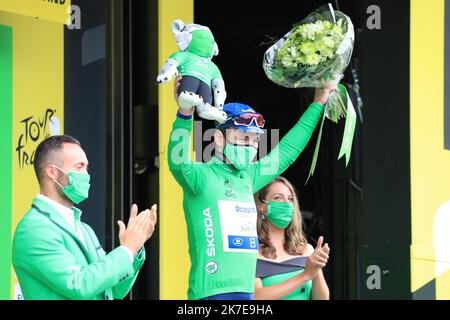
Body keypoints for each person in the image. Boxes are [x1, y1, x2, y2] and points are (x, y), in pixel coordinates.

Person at [168, 76, 335, 300]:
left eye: (255, 140)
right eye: (243, 138)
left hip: (247, 293)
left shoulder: (249, 177)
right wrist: (185, 113)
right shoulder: (201, 176)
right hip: (210, 293)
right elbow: (176, 160)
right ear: (219, 139)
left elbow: (288, 151)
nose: (250, 146)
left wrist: (319, 102)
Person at [12, 135, 157, 300]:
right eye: (79, 166)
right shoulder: (34, 230)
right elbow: (79, 284)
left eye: (86, 167)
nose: (86, 175)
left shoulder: (83, 228)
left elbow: (113, 290)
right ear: (52, 172)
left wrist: (133, 248)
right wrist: (127, 250)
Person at [253, 176, 330, 300]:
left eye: (290, 199)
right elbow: (255, 297)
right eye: (278, 198)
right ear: (261, 205)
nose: (286, 204)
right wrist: (305, 275)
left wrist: (317, 269)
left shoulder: (306, 249)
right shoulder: (251, 252)